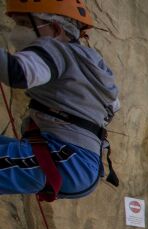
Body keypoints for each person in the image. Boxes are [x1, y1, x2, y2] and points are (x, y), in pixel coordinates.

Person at [0, 1, 119, 200]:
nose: (16, 32)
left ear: (55, 29)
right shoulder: (91, 63)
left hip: (65, 157)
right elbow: (113, 107)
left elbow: (17, 72)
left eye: (24, 23)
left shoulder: (55, 50)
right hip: (77, 162)